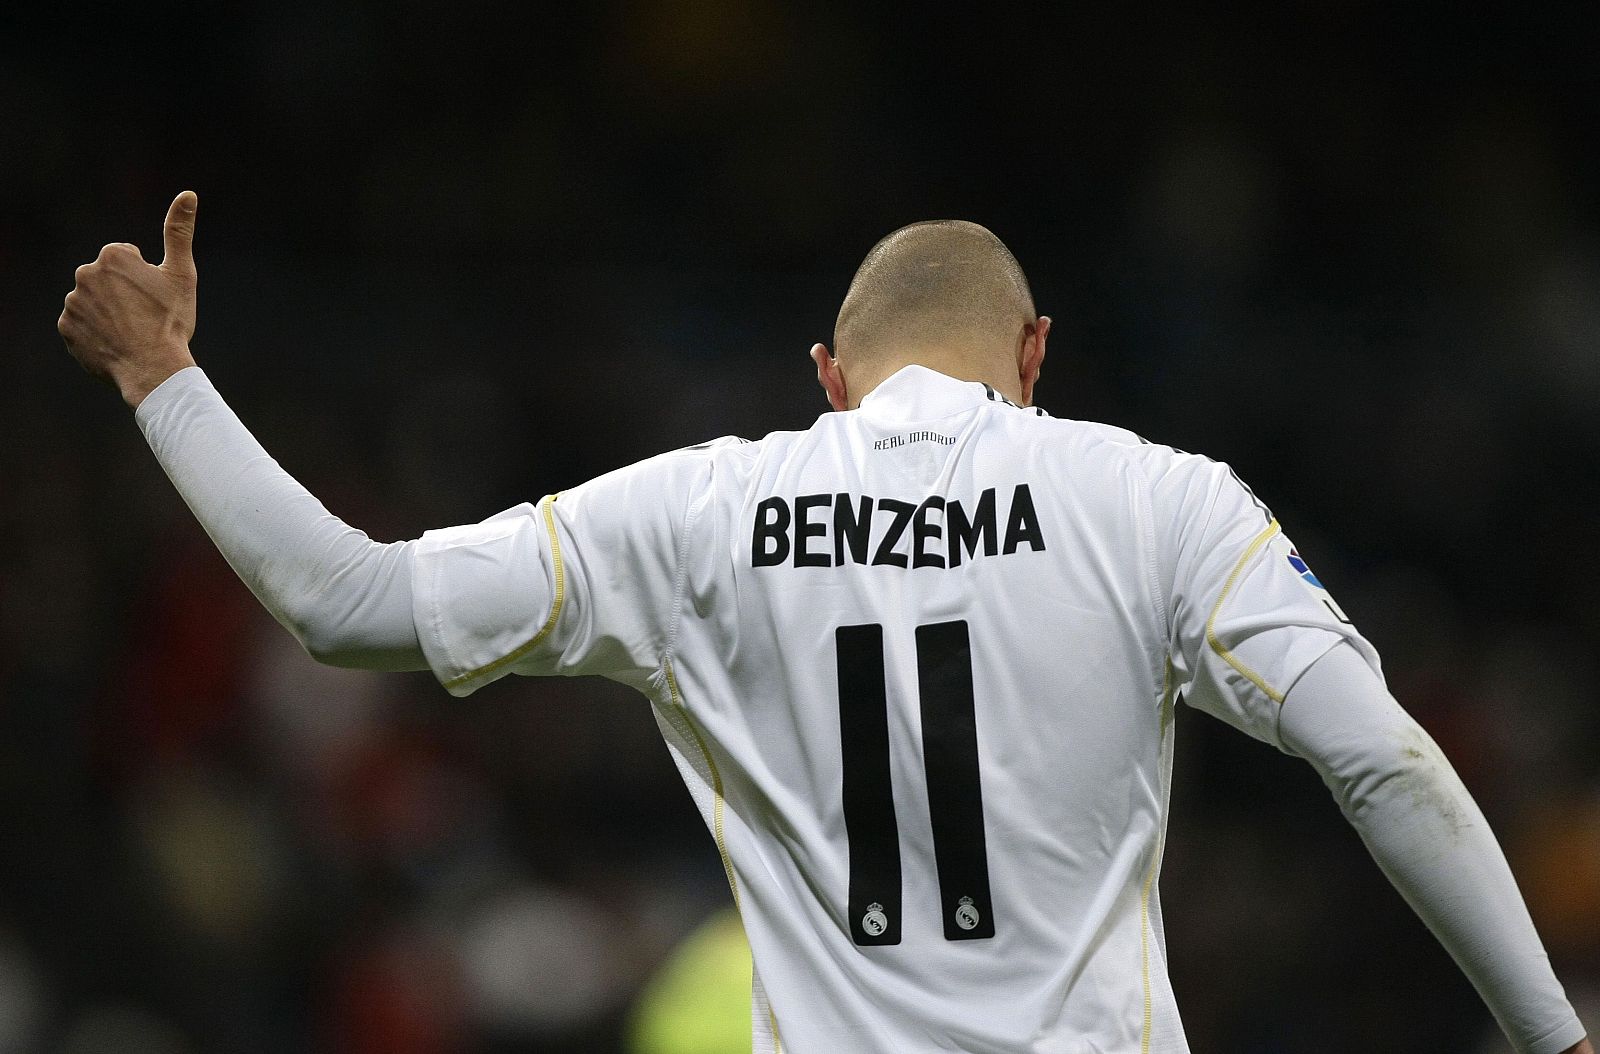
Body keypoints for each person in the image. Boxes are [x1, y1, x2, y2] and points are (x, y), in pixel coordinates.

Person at [59, 192, 1590, 1054]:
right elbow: (1383, 760)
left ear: (828, 378)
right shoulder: (1157, 499)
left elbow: (345, 601)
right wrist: (1551, 1036)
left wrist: (162, 377)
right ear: (1035, 355)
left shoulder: (698, 516)